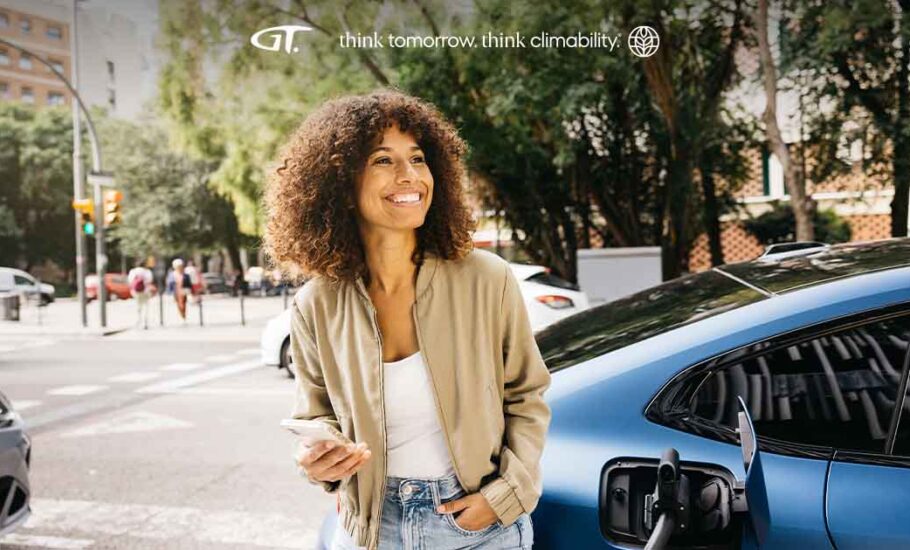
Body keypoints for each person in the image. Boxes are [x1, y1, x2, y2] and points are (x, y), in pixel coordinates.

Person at [265, 91, 551, 550]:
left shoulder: (486, 279)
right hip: (371, 529)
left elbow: (527, 395)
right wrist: (315, 462)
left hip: (478, 526)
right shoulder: (315, 304)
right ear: (339, 183)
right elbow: (314, 416)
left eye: (417, 158)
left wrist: (506, 495)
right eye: (383, 160)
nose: (410, 176)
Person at [127, 260, 153, 329]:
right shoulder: (147, 271)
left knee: (138, 307)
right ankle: (145, 323)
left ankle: (138, 321)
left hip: (136, 291)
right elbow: (150, 280)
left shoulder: (133, 271)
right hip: (145, 291)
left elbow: (130, 281)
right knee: (146, 307)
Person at [166, 258, 192, 323]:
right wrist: (169, 291)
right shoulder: (172, 274)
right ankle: (182, 315)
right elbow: (169, 283)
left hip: (184, 290)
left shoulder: (185, 274)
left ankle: (183, 315)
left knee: (183, 303)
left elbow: (189, 283)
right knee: (179, 304)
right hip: (176, 291)